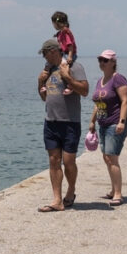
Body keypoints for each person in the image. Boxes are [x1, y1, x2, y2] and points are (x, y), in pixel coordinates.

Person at [36, 38, 89, 212]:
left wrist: (68, 78)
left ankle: (71, 191)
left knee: (68, 161)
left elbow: (85, 91)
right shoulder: (47, 70)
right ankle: (57, 200)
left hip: (70, 122)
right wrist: (39, 83)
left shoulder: (74, 67)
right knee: (53, 160)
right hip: (51, 121)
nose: (44, 58)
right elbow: (45, 97)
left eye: (45, 54)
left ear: (54, 52)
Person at [88, 49, 127, 206]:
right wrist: (92, 121)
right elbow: (98, 104)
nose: (101, 63)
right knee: (106, 157)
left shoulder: (118, 79)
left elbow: (125, 101)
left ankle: (118, 194)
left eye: (105, 60)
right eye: (100, 60)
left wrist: (122, 121)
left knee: (112, 158)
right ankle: (113, 190)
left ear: (113, 62)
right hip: (103, 124)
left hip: (114, 124)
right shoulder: (100, 81)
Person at [50, 11, 78, 95]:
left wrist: (69, 57)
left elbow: (70, 46)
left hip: (69, 53)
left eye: (53, 23)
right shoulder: (61, 33)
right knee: (53, 65)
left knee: (64, 66)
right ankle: (52, 82)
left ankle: (70, 86)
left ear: (57, 23)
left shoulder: (66, 33)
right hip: (63, 53)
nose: (53, 25)